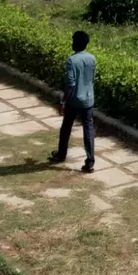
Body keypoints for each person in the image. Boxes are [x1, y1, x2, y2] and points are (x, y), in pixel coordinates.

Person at [49, 30, 96, 170]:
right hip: (89, 100)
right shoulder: (91, 58)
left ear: (76, 43)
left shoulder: (71, 61)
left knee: (66, 128)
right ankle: (90, 161)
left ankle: (61, 154)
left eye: (73, 40)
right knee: (88, 130)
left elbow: (71, 84)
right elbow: (91, 79)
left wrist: (63, 101)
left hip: (74, 101)